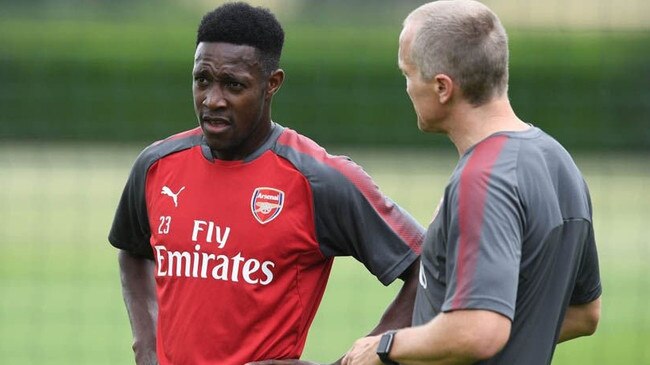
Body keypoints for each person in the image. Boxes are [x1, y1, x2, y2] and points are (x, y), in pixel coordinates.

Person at [108, 2, 424, 365]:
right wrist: (146, 345)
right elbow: (132, 250)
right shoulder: (156, 165)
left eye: (233, 85)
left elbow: (430, 268)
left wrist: (364, 356)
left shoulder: (319, 178)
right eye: (202, 80)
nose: (213, 99)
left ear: (271, 84)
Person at [342, 1, 602, 364]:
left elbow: (479, 331)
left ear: (442, 87)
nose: (406, 87)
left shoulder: (483, 179)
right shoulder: (557, 160)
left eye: (408, 73)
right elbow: (584, 312)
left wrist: (386, 348)